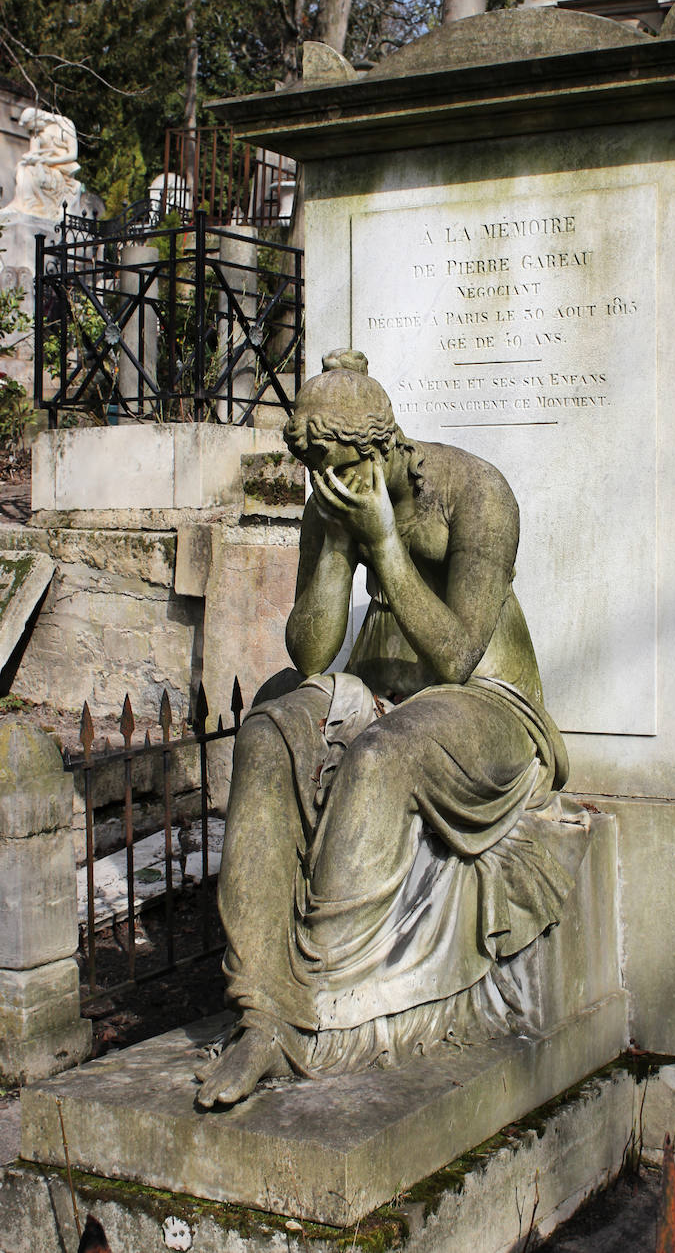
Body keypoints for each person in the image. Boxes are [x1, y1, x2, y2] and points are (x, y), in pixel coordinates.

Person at [196, 350, 588, 1108]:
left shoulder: (477, 494)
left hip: (487, 702)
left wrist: (382, 542)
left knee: (381, 757)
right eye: (318, 475)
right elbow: (311, 652)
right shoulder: (331, 500)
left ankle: (321, 1005)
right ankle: (263, 1010)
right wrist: (338, 544)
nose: (329, 486)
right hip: (378, 685)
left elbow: (455, 655)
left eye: (341, 469)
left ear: (384, 446)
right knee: (269, 734)